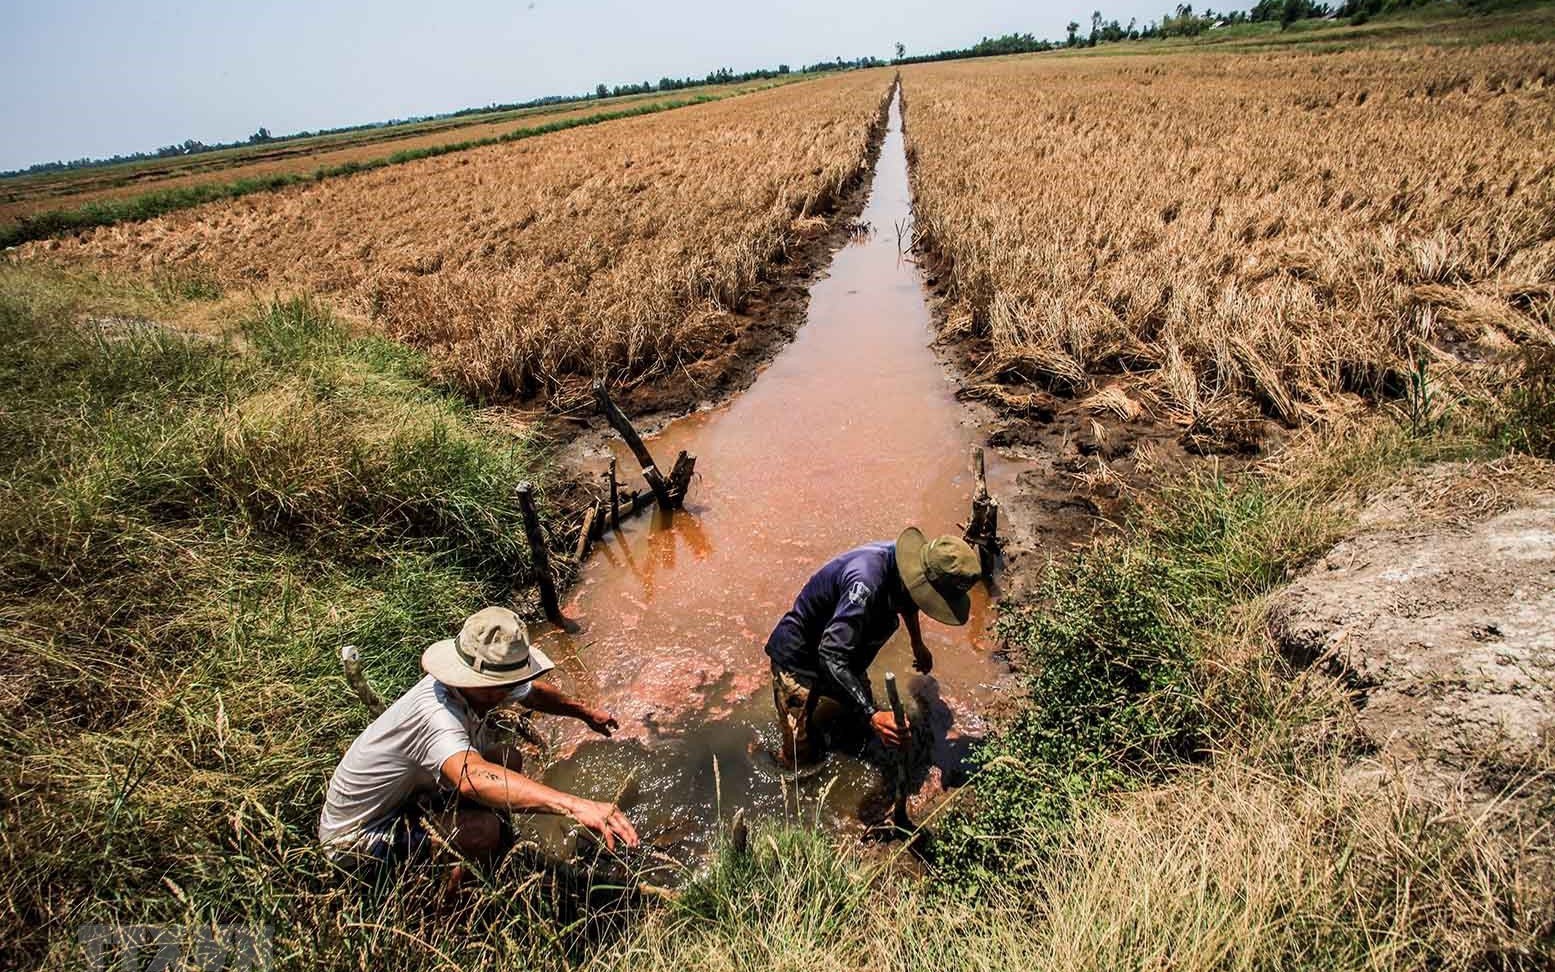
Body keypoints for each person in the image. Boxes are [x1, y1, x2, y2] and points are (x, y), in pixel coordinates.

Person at [319, 606, 638, 881]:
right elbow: (471, 778)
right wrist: (575, 805)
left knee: (507, 759)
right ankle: (456, 910)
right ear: (484, 685)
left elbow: (532, 692)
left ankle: (492, 855)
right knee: (481, 830)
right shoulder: (438, 715)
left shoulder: (479, 685)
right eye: (505, 685)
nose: (513, 691)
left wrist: (585, 713)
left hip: (406, 800)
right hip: (357, 841)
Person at [765, 527, 982, 767]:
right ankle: (790, 768)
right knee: (799, 753)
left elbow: (909, 601)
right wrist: (872, 713)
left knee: (857, 728)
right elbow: (830, 655)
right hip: (800, 660)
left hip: (846, 654)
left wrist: (917, 643)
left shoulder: (907, 569)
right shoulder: (866, 583)